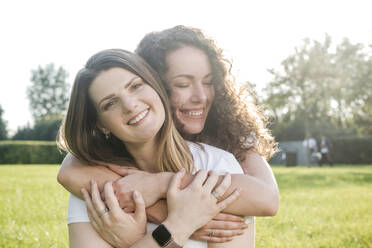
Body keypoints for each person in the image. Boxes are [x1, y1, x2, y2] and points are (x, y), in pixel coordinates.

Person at [58, 25, 279, 247]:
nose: (201, 96)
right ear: (159, 85)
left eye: (209, 82)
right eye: (182, 84)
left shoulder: (223, 156)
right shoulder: (98, 184)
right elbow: (69, 171)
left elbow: (268, 199)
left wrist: (160, 188)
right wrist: (176, 222)